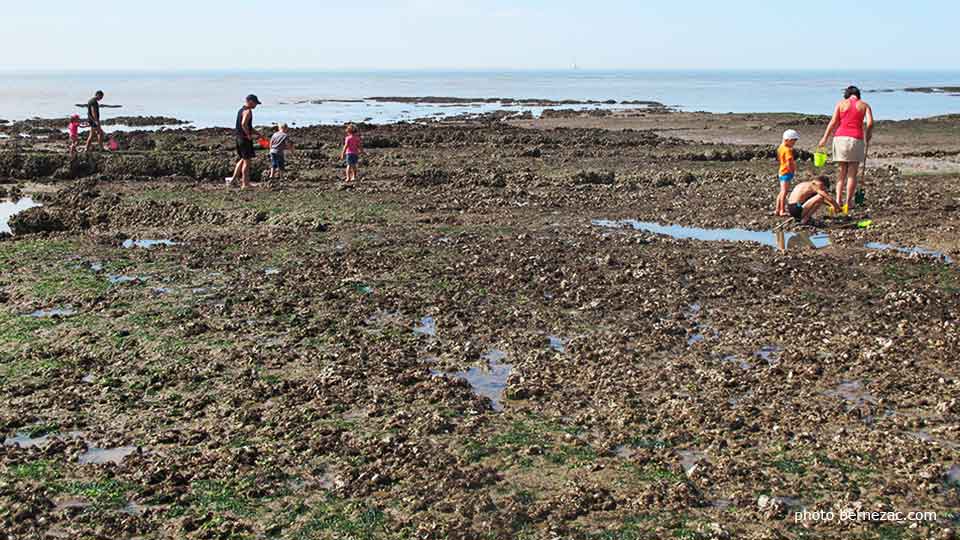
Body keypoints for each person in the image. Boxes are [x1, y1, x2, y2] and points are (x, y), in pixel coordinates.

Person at [817, 86, 874, 214]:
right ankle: (847, 203)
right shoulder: (864, 105)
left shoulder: (841, 104)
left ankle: (837, 201)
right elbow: (870, 123)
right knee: (852, 174)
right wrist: (868, 135)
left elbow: (833, 122)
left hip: (840, 138)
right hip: (856, 139)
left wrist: (824, 139)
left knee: (841, 171)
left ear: (847, 95)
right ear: (858, 95)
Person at [227, 94, 262, 190]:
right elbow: (243, 124)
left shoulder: (240, 110)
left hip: (238, 138)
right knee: (247, 161)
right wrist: (249, 135)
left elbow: (248, 126)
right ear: (250, 101)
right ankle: (245, 184)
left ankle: (233, 180)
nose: (256, 105)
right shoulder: (248, 111)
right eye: (255, 103)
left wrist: (257, 133)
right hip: (244, 139)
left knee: (242, 159)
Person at [776, 129, 800, 217]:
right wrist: (792, 171)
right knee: (784, 192)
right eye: (793, 141)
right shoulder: (788, 150)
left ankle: (777, 209)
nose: (794, 143)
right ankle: (782, 210)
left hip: (781, 170)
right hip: (786, 172)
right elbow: (789, 161)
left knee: (781, 192)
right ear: (788, 140)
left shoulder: (780, 147)